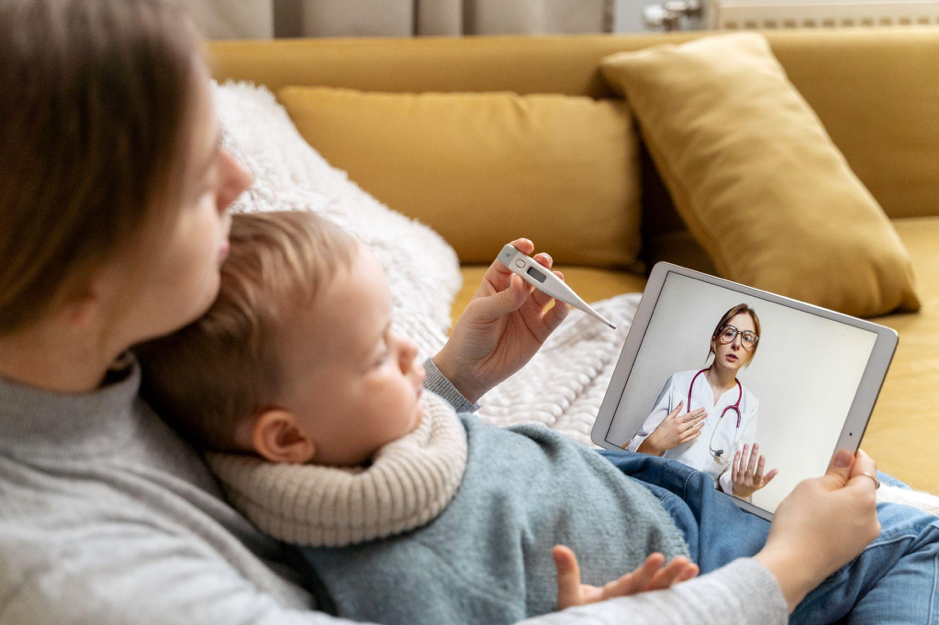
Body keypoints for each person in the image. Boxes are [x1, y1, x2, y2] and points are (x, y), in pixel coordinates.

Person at [0, 1, 929, 623]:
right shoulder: (73, 565)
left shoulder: (111, 364)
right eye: (193, 176)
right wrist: (783, 572)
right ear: (80, 264)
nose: (241, 180)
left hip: (667, 522)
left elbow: (314, 440)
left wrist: (447, 382)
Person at [135, 210, 705, 624]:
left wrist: (455, 377)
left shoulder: (341, 452)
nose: (409, 350)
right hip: (691, 558)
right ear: (284, 437)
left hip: (633, 480)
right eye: (378, 354)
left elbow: (362, 427)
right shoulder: (402, 573)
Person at [625, 304, 778, 499]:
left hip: (703, 500)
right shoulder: (679, 382)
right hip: (659, 487)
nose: (736, 344)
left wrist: (741, 488)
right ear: (714, 341)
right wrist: (654, 443)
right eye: (729, 333)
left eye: (747, 338)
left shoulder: (749, 404)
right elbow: (634, 447)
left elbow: (732, 475)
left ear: (751, 352)